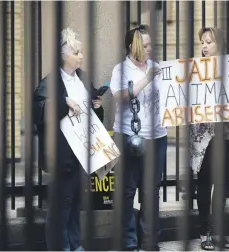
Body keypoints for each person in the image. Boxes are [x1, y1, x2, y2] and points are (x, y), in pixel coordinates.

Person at [33, 27, 104, 251]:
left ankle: (75, 244)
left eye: (81, 52)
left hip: (81, 152)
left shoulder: (82, 79)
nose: (81, 56)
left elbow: (93, 116)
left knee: (75, 202)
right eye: (76, 52)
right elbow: (39, 110)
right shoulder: (50, 82)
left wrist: (97, 106)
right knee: (62, 204)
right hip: (62, 155)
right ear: (64, 55)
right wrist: (64, 103)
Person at [109, 24, 167, 251]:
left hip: (157, 137)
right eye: (145, 45)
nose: (150, 48)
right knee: (127, 191)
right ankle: (129, 242)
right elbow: (119, 96)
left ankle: (150, 241)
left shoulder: (158, 67)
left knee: (151, 191)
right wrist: (146, 80)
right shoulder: (120, 70)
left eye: (151, 44)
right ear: (132, 47)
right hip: (128, 136)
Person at [190, 27, 229, 251]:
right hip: (204, 138)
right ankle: (204, 233)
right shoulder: (193, 70)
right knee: (204, 184)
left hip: (226, 135)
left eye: (209, 42)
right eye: (202, 42)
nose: (204, 46)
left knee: (222, 186)